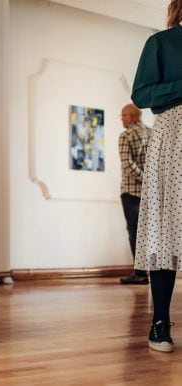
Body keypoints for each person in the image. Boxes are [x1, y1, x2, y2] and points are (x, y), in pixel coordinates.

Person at [132, 0, 182, 353]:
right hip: (173, 137)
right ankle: (160, 322)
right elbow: (142, 94)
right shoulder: (161, 43)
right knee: (165, 230)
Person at [118, 104, 151, 285]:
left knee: (135, 232)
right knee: (148, 232)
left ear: (132, 116)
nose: (122, 119)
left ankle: (140, 273)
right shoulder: (151, 132)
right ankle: (151, 270)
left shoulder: (125, 136)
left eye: (123, 115)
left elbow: (127, 165)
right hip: (149, 193)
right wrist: (149, 181)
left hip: (130, 192)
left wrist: (143, 178)